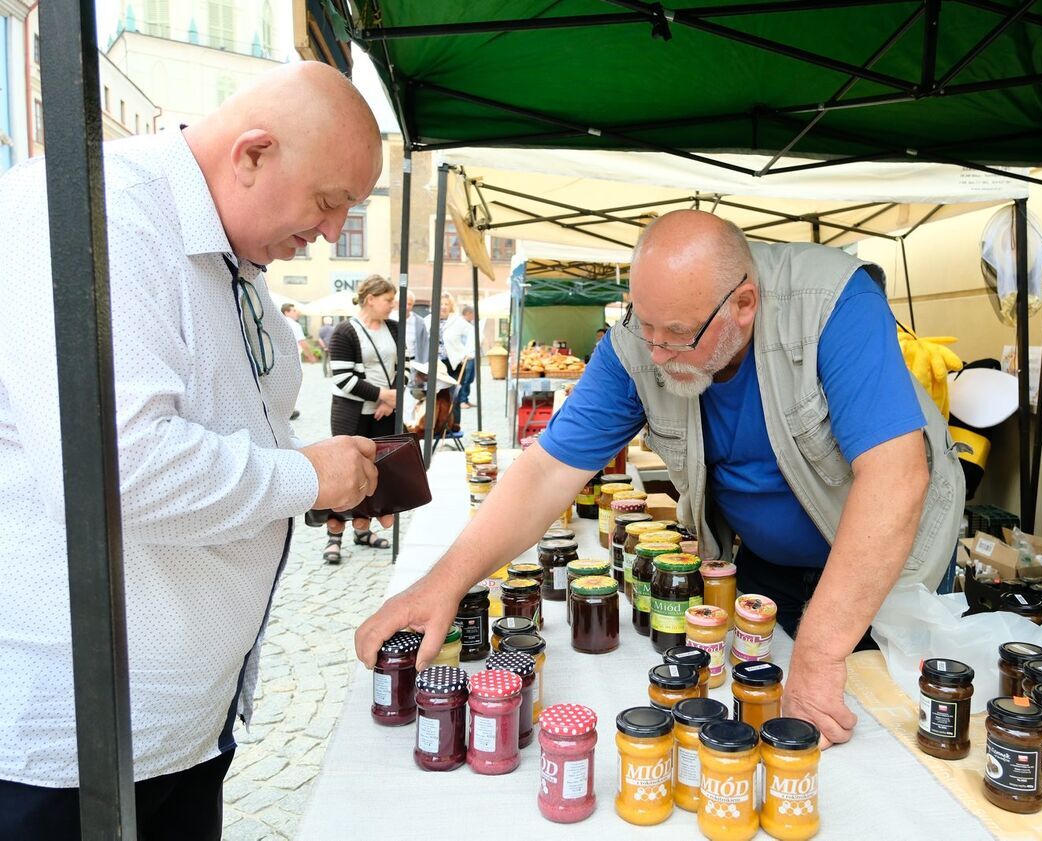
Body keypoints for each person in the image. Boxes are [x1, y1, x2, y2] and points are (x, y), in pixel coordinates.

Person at [356, 209, 964, 750]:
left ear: (744, 304)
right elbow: (544, 472)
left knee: (886, 733)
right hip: (766, 566)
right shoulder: (640, 344)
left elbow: (895, 477)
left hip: (887, 570)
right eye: (644, 325)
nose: (658, 351)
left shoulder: (832, 302)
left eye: (678, 334)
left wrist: (823, 648)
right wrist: (442, 584)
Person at [0, 62, 386, 839]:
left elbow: (229, 414)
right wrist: (304, 476)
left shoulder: (222, 246)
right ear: (251, 154)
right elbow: (121, 466)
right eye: (328, 200)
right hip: (78, 747)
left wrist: (295, 459)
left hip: (179, 728)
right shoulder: (100, 214)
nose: (331, 230)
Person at [323, 275, 400, 563]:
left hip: (384, 414)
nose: (392, 305)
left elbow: (403, 367)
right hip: (351, 414)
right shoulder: (345, 331)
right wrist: (384, 395)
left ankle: (363, 529)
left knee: (375, 473)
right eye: (388, 300)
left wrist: (389, 403)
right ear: (370, 299)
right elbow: (343, 379)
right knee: (344, 472)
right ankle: (334, 537)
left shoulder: (394, 328)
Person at [444, 303, 477, 410]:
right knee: (464, 379)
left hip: (470, 355)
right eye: (473, 314)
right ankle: (462, 400)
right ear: (468, 313)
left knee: (469, 378)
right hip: (463, 358)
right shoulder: (459, 324)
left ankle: (465, 399)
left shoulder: (468, 324)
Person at [281, 303, 310, 419]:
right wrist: (311, 356)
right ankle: (289, 410)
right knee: (293, 385)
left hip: (281, 360)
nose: (296, 312)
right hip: (293, 360)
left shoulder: (277, 322)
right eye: (293, 310)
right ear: (286, 312)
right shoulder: (294, 325)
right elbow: (302, 342)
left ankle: (284, 410)